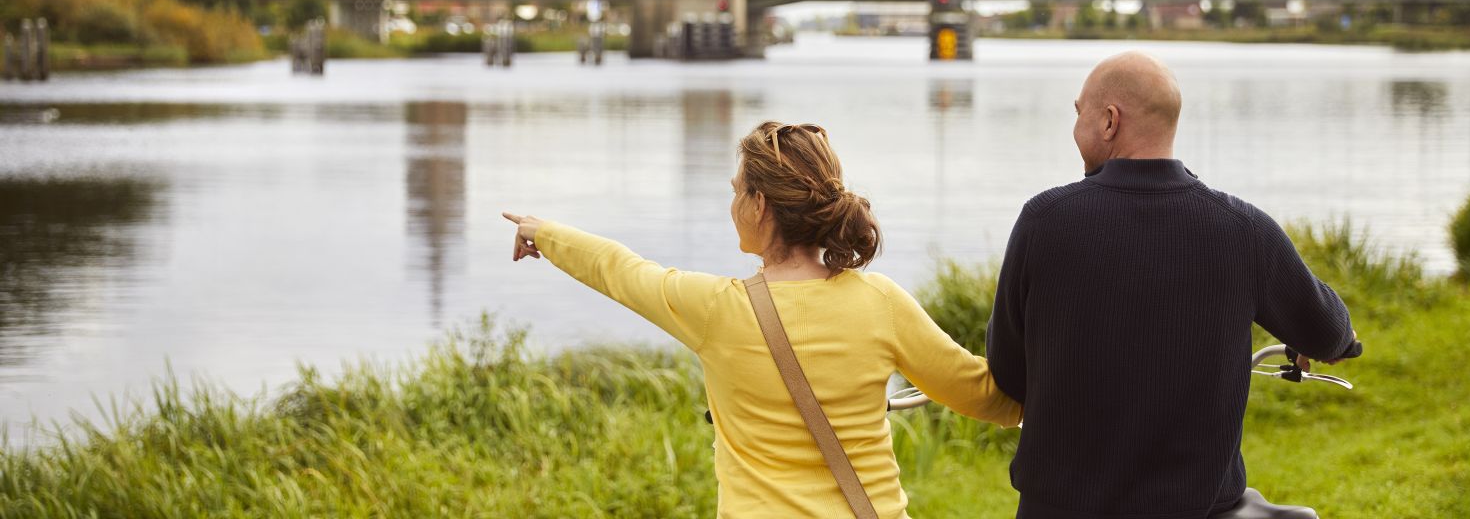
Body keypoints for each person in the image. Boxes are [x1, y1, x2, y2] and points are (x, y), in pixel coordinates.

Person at [504, 120, 1021, 518]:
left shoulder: (715, 310)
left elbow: (621, 271)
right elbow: (985, 397)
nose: (731, 205)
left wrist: (543, 232)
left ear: (759, 204)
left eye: (736, 191)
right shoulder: (879, 301)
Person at [986, 51, 1359, 519]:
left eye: (1078, 112)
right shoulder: (1242, 229)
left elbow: (1007, 371)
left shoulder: (1044, 220)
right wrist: (1325, 339)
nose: (1075, 126)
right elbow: (1329, 332)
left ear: (1108, 121)